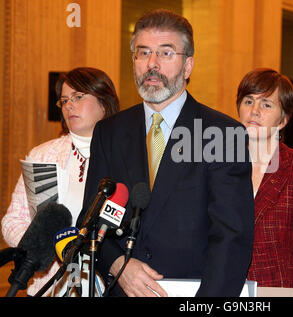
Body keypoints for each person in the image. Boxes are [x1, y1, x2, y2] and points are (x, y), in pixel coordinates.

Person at [78, 9, 254, 297]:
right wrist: (119, 265)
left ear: (188, 66)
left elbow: (231, 238)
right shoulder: (109, 132)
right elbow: (91, 222)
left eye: (166, 53)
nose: (152, 64)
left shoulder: (222, 133)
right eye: (142, 53)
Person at [1, 67, 120, 296]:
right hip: (49, 286)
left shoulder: (125, 157)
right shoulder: (42, 155)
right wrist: (48, 244)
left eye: (78, 97)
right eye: (64, 100)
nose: (69, 105)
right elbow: (12, 221)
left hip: (106, 285)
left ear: (104, 103)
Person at [236, 68, 293, 297]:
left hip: (278, 292)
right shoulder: (219, 166)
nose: (255, 111)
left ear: (283, 120)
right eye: (248, 101)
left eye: (267, 104)